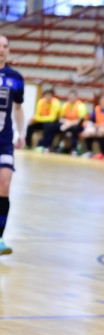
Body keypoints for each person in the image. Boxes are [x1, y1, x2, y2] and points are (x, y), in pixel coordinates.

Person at [0, 36, 23, 256]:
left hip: (5, 140)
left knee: (5, 184)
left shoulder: (15, 78)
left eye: (5, 46)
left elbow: (18, 108)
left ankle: (0, 237)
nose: (1, 49)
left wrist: (21, 133)